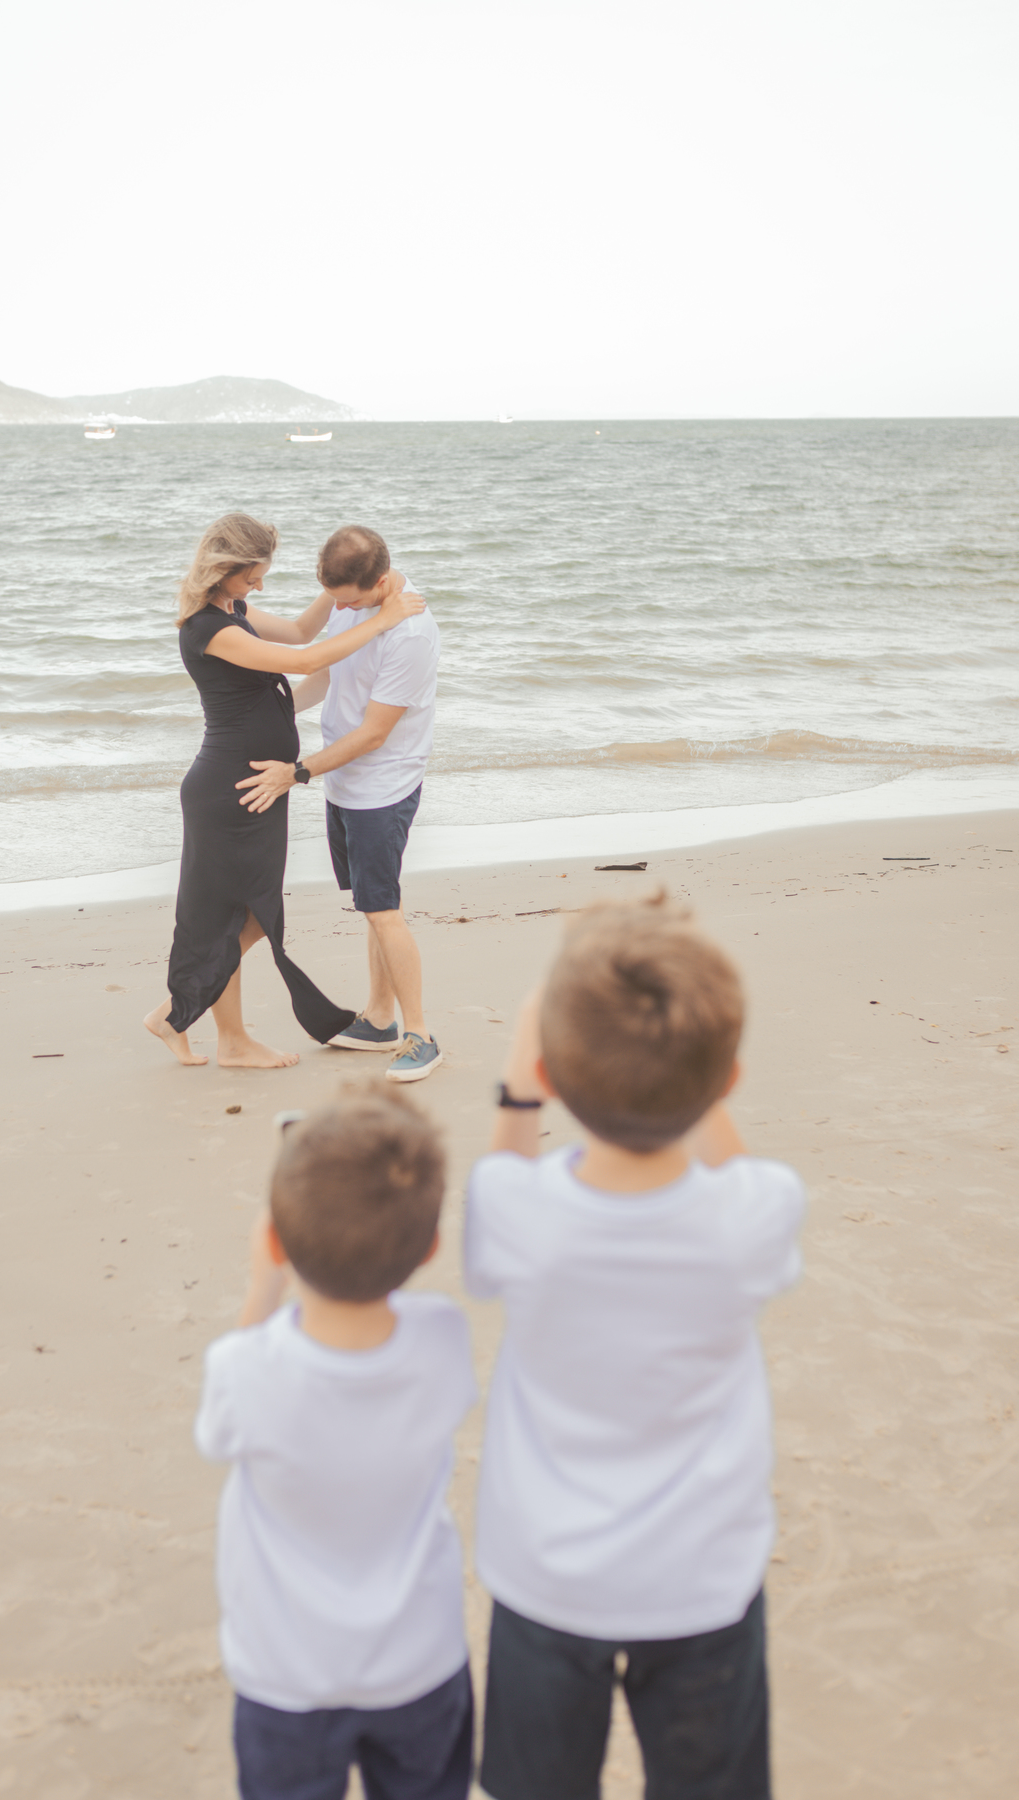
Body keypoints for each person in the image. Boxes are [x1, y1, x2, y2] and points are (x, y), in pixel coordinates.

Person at [465, 897, 806, 1800]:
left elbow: (502, 1170)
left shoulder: (516, 1213)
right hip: (704, 1578)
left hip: (545, 1577)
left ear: (549, 1072)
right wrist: (696, 1077)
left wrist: (521, 1083)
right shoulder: (755, 1215)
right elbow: (736, 1166)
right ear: (728, 1080)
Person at [194, 1085, 476, 1800]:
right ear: (429, 1248)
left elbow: (218, 1433)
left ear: (274, 1243)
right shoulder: (443, 1340)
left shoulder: (244, 1369)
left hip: (287, 1677)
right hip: (420, 1663)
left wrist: (264, 1285)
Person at [144, 514, 425, 1069]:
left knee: (248, 916)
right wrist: (384, 617)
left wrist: (339, 593)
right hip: (232, 788)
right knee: (235, 915)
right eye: (252, 577)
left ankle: (183, 1017)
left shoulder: (234, 610)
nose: (258, 587)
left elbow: (299, 633)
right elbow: (305, 660)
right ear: (223, 569)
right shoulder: (208, 628)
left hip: (258, 786)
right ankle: (218, 1034)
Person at [235, 525, 442, 1083]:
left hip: (382, 786)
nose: (340, 609)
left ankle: (420, 1034)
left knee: (383, 908)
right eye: (334, 598)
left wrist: (296, 773)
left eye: (349, 601)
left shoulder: (410, 634)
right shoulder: (349, 597)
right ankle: (379, 1019)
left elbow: (374, 733)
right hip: (345, 782)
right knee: (373, 904)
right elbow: (328, 671)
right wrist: (273, 718)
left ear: (380, 582)